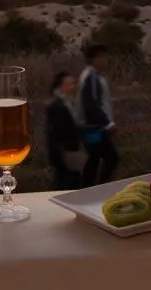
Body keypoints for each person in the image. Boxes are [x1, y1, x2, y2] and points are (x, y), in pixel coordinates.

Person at [78, 45, 119, 186]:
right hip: (95, 128)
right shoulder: (92, 77)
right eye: (103, 56)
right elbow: (91, 104)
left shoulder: (92, 75)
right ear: (94, 58)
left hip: (93, 127)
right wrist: (108, 123)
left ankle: (86, 189)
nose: (106, 60)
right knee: (111, 158)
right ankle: (100, 188)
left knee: (94, 158)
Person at [45, 71, 86, 190]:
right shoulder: (56, 105)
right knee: (65, 182)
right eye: (69, 84)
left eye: (73, 84)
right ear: (60, 86)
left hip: (69, 150)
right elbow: (54, 132)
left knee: (71, 180)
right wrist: (60, 152)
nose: (72, 87)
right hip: (63, 152)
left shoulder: (67, 102)